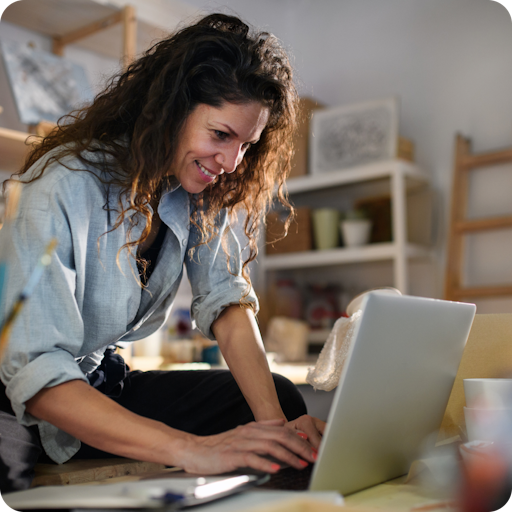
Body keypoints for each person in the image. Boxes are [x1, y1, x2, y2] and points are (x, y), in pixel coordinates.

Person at [0, 13, 325, 493]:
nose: (233, 162)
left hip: (101, 386)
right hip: (23, 405)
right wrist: (190, 448)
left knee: (276, 399)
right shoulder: (61, 186)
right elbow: (36, 372)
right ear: (172, 111)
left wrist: (274, 430)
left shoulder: (198, 189)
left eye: (246, 144)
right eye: (220, 135)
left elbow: (227, 300)